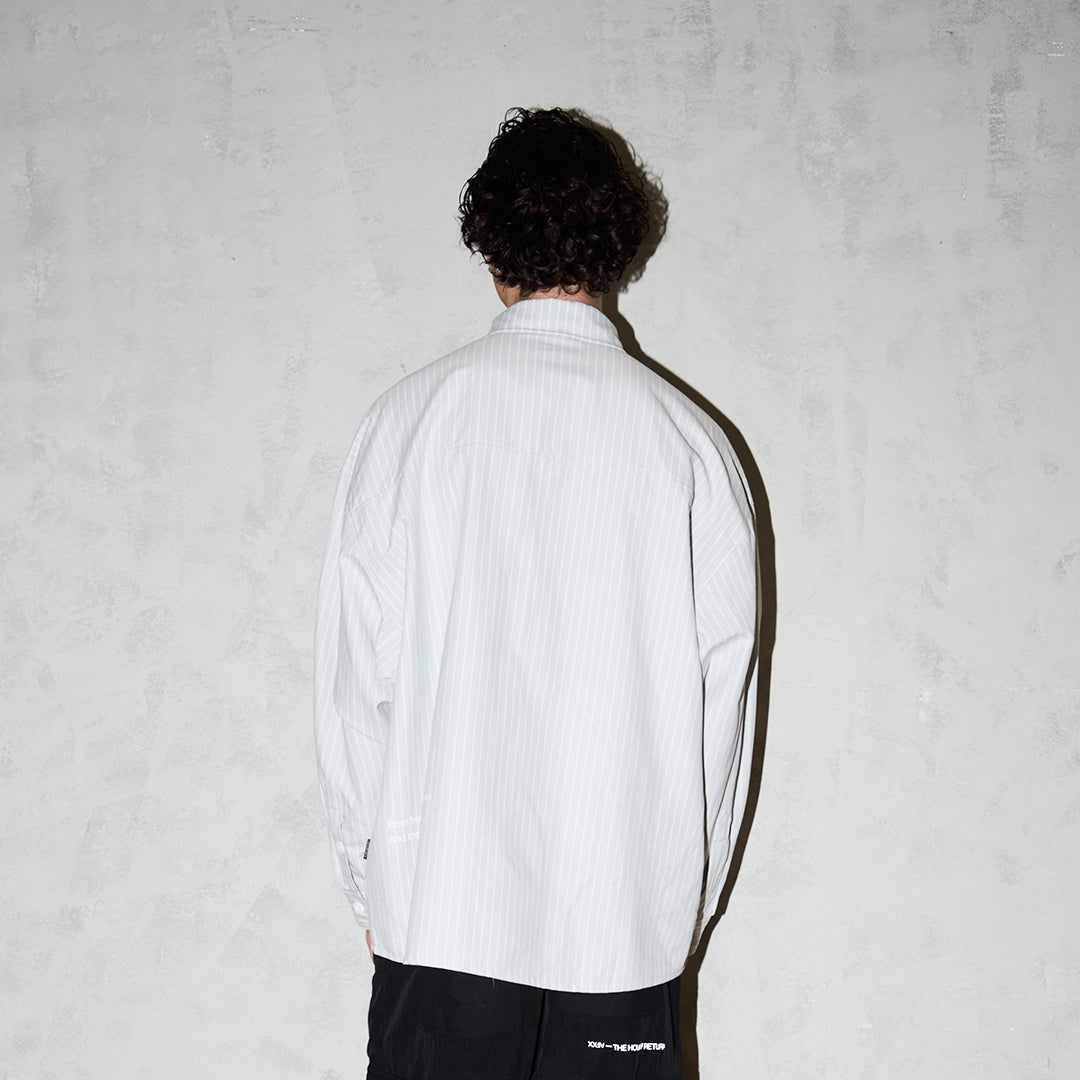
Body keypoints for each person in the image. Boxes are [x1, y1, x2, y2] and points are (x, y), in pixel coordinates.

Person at [314, 107, 759, 1080]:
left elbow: (354, 691)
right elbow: (720, 721)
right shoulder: (691, 447)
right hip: (621, 934)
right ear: (616, 249)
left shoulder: (408, 424)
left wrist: (370, 883)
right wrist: (678, 911)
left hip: (443, 920)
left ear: (490, 249)